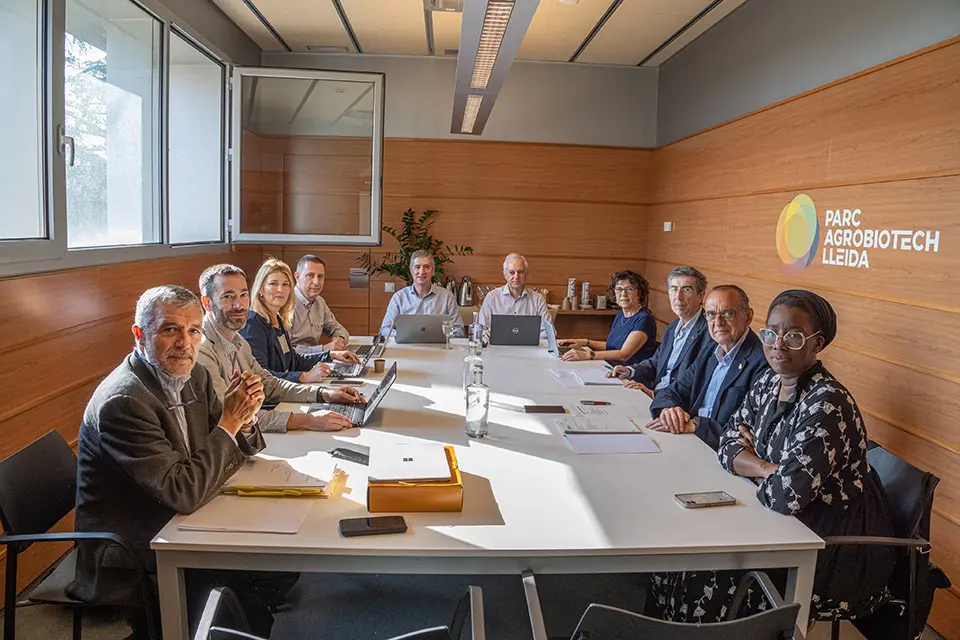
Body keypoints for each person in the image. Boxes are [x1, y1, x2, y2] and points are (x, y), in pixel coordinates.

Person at [648, 290, 896, 625]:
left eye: (794, 336)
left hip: (827, 545)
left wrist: (754, 463)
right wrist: (767, 468)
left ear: (817, 343)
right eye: (771, 333)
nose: (778, 344)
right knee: (681, 550)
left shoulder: (827, 403)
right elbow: (728, 443)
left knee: (708, 570)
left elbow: (784, 497)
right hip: (774, 523)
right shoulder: (768, 381)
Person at [68, 285, 289, 638]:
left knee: (279, 562)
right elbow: (182, 491)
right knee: (252, 592)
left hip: (187, 516)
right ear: (139, 335)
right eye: (170, 330)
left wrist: (245, 417)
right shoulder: (123, 401)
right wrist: (230, 423)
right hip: (137, 542)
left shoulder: (193, 375)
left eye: (194, 331)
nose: (185, 344)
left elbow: (237, 445)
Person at [197, 264, 364, 433]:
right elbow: (230, 416)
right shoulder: (202, 350)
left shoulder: (238, 341)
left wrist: (325, 393)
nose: (239, 305)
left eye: (243, 295)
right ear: (207, 303)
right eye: (228, 296)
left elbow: (269, 383)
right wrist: (307, 420)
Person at [646, 285, 768, 450]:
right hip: (688, 441)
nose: (718, 322)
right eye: (711, 314)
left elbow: (749, 432)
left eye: (727, 313)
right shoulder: (710, 351)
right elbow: (671, 391)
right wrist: (669, 411)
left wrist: (698, 426)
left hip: (721, 454)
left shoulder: (762, 362)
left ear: (747, 316)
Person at [240, 258, 360, 384]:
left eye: (285, 284)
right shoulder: (252, 324)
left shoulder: (278, 319)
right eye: (273, 284)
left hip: (286, 390)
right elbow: (261, 378)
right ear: (260, 289)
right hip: (270, 401)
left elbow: (293, 360)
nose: (280, 289)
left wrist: (330, 355)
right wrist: (305, 377)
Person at [608, 266, 712, 397]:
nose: (678, 297)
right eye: (674, 289)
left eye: (686, 290)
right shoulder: (672, 327)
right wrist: (629, 371)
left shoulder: (709, 332)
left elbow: (695, 383)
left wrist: (654, 394)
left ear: (701, 296)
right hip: (656, 395)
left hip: (673, 405)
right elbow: (655, 363)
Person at [559, 270, 656, 366]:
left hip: (629, 375)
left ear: (640, 293)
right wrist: (585, 342)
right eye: (619, 289)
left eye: (629, 289)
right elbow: (611, 346)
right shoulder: (621, 315)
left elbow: (624, 354)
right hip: (611, 368)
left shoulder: (644, 320)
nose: (623, 294)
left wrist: (587, 354)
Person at [378, 250, 464, 337]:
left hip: (437, 348)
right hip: (407, 347)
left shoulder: (447, 296)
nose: (421, 272)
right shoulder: (399, 297)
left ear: (433, 271)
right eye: (417, 267)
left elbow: (459, 330)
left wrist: (443, 336)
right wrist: (402, 335)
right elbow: (385, 329)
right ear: (411, 271)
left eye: (426, 267)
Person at [477, 253, 551, 335]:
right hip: (498, 347)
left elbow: (548, 334)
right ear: (505, 275)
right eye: (512, 272)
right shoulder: (492, 298)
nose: (516, 276)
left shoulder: (538, 300)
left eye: (520, 272)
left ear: (526, 274)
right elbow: (480, 329)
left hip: (529, 347)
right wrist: (485, 334)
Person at [290, 254, 350, 354]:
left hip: (315, 361)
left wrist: (339, 339)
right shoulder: (286, 304)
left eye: (320, 276)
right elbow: (286, 353)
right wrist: (323, 349)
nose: (316, 282)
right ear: (297, 277)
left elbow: (337, 328)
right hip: (294, 366)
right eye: (310, 275)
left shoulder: (319, 302)